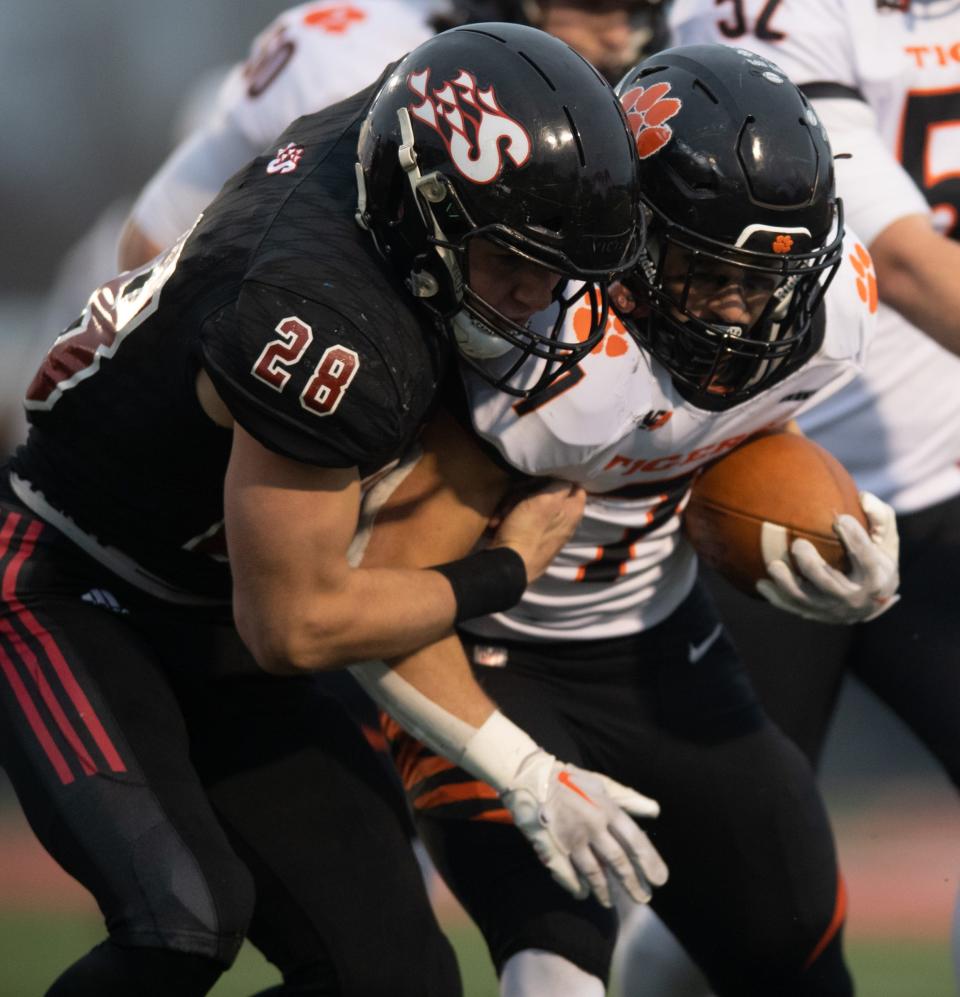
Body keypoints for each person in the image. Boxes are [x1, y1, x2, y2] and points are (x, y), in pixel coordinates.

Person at [0, 24, 661, 996]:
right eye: (514, 262)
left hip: (213, 605)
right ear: (429, 211)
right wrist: (502, 568)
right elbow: (295, 624)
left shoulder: (399, 140)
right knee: (183, 917)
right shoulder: (326, 323)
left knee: (396, 976)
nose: (539, 298)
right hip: (76, 584)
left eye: (560, 265)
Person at [373, 43, 899, 996]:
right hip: (492, 656)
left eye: (767, 282)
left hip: (664, 650)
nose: (742, 317)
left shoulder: (829, 318)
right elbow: (380, 602)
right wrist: (519, 764)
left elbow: (729, 438)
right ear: (631, 238)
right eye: (708, 274)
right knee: (556, 969)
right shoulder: (541, 350)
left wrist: (853, 524)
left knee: (796, 947)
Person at [610, 1, 960, 991]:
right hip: (757, 476)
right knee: (731, 892)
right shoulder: (771, 9)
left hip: (948, 474)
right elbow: (892, 252)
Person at [118, 0, 670, 273]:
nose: (625, 36)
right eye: (600, 5)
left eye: (642, 8)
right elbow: (151, 241)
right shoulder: (355, 60)